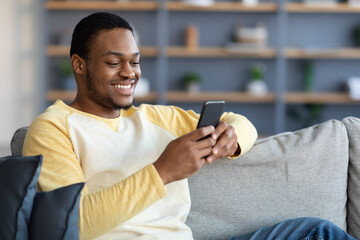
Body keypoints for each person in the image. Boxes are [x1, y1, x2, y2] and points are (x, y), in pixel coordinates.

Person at [22, 12, 356, 240]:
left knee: (316, 231)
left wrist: (233, 137)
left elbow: (239, 121)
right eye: (114, 62)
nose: (129, 72)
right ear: (79, 65)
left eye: (135, 62)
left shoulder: (154, 118)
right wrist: (162, 171)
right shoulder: (53, 128)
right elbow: (69, 224)